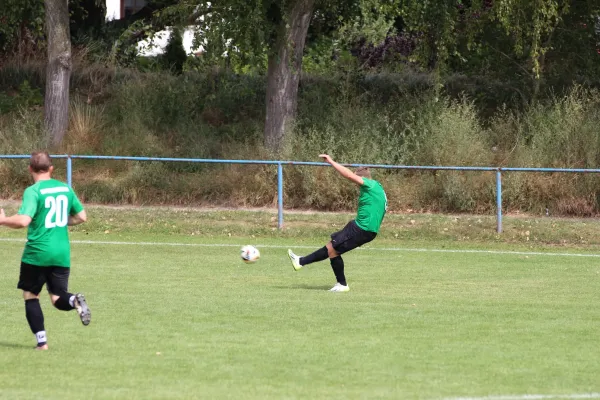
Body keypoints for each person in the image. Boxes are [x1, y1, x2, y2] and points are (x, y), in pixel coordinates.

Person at [0, 151, 91, 350]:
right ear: (51, 168)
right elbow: (82, 217)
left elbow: (24, 220)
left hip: (37, 254)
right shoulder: (65, 189)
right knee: (58, 298)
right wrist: (60, 222)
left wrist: (3, 220)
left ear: (30, 169)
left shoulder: (33, 191)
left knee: (31, 295)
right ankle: (75, 300)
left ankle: (42, 343)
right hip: (61, 253)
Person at [288, 154, 387, 292]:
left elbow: (348, 175)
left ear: (361, 178)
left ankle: (342, 284)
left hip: (362, 228)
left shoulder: (369, 185)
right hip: (365, 229)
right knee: (332, 249)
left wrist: (331, 161)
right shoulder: (378, 188)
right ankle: (301, 262)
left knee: (332, 249)